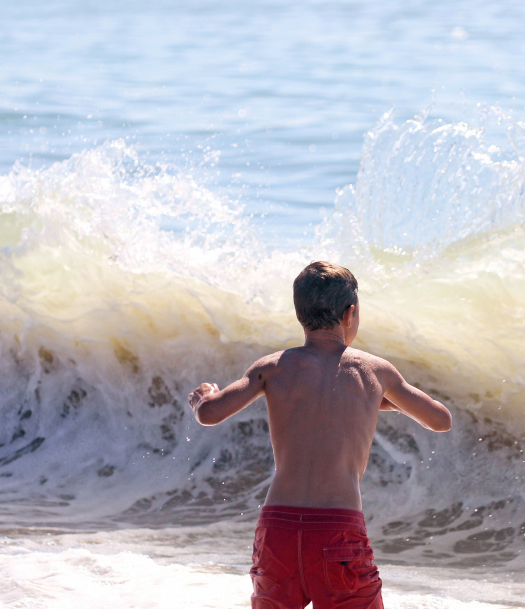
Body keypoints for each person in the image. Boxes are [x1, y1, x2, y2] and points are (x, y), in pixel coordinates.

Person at [188, 261, 452, 609]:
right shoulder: (373, 370)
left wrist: (202, 398)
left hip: (277, 532)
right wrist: (378, 400)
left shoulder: (271, 367)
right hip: (337, 532)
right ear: (350, 313)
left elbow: (210, 413)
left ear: (300, 315)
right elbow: (439, 419)